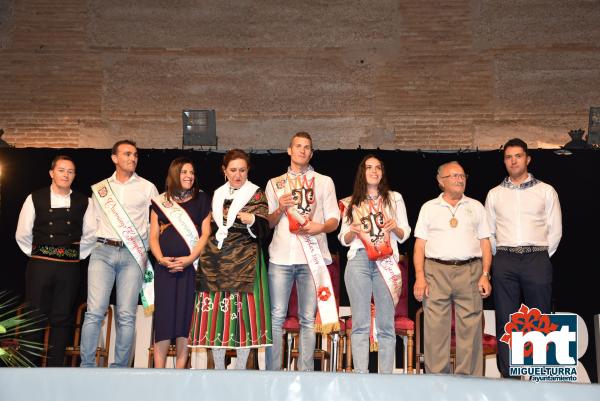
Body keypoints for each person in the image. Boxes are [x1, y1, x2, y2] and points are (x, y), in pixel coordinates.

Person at [485, 138, 562, 378]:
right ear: (504, 162)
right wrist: (502, 256)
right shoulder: (495, 194)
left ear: (527, 159)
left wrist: (539, 256)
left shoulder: (546, 190)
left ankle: (541, 376)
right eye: (508, 157)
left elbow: (555, 230)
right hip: (505, 258)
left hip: (536, 258)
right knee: (506, 319)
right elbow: (489, 232)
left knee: (539, 317)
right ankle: (510, 377)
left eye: (518, 156)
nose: (513, 161)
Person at [189, 149, 272, 369]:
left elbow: (265, 230)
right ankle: (218, 368)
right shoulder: (216, 194)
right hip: (216, 261)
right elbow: (209, 228)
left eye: (242, 170)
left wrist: (252, 219)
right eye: (233, 170)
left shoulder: (256, 194)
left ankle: (241, 368)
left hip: (246, 261)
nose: (238, 175)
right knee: (217, 316)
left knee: (242, 316)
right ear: (224, 171)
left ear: (247, 171)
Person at [265, 132, 340, 371]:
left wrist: (320, 227)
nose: (302, 150)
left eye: (307, 147)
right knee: (276, 317)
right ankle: (273, 373)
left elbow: (334, 220)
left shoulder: (324, 181)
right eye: (298, 146)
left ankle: (306, 373)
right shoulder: (275, 183)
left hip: (311, 258)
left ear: (311, 153)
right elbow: (268, 223)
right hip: (281, 258)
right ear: (289, 150)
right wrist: (280, 209)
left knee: (308, 319)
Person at [80, 140, 158, 368]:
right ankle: (86, 367)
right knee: (94, 312)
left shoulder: (147, 187)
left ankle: (121, 368)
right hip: (102, 251)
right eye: (127, 154)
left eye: (135, 154)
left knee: (126, 314)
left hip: (132, 255)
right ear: (114, 158)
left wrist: (149, 251)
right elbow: (91, 223)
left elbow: (153, 224)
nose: (132, 158)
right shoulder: (101, 188)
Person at [15, 155, 95, 366]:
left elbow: (91, 235)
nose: (66, 174)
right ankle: (27, 369)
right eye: (61, 170)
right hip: (40, 266)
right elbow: (22, 233)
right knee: (34, 316)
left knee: (62, 319)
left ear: (75, 176)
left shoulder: (85, 201)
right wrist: (40, 254)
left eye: (70, 171)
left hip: (69, 268)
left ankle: (55, 370)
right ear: (52, 173)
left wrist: (74, 255)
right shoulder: (34, 198)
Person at [413, 161, 492, 376]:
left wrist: (485, 274)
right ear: (441, 181)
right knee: (435, 328)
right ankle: (438, 380)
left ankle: (468, 381)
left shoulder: (476, 206)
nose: (460, 179)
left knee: (471, 327)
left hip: (470, 271)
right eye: (454, 175)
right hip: (436, 271)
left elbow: (485, 243)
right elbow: (419, 245)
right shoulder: (429, 208)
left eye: (462, 175)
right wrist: (420, 277)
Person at [338, 155, 411, 373]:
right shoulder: (351, 201)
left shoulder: (394, 198)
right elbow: (342, 238)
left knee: (386, 324)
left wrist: (393, 228)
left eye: (378, 167)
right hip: (359, 259)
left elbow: (405, 233)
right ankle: (361, 374)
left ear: (382, 172)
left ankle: (385, 378)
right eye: (369, 167)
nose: (374, 171)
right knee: (360, 323)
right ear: (362, 172)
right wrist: (353, 231)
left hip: (386, 260)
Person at [148, 157, 211, 368]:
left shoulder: (202, 199)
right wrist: (160, 259)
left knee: (185, 320)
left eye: (192, 172)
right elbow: (153, 237)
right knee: (164, 319)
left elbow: (205, 234)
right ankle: (159, 373)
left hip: (190, 268)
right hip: (164, 268)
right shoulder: (160, 201)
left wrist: (190, 259)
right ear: (175, 174)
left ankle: (180, 373)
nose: (189, 176)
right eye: (184, 172)